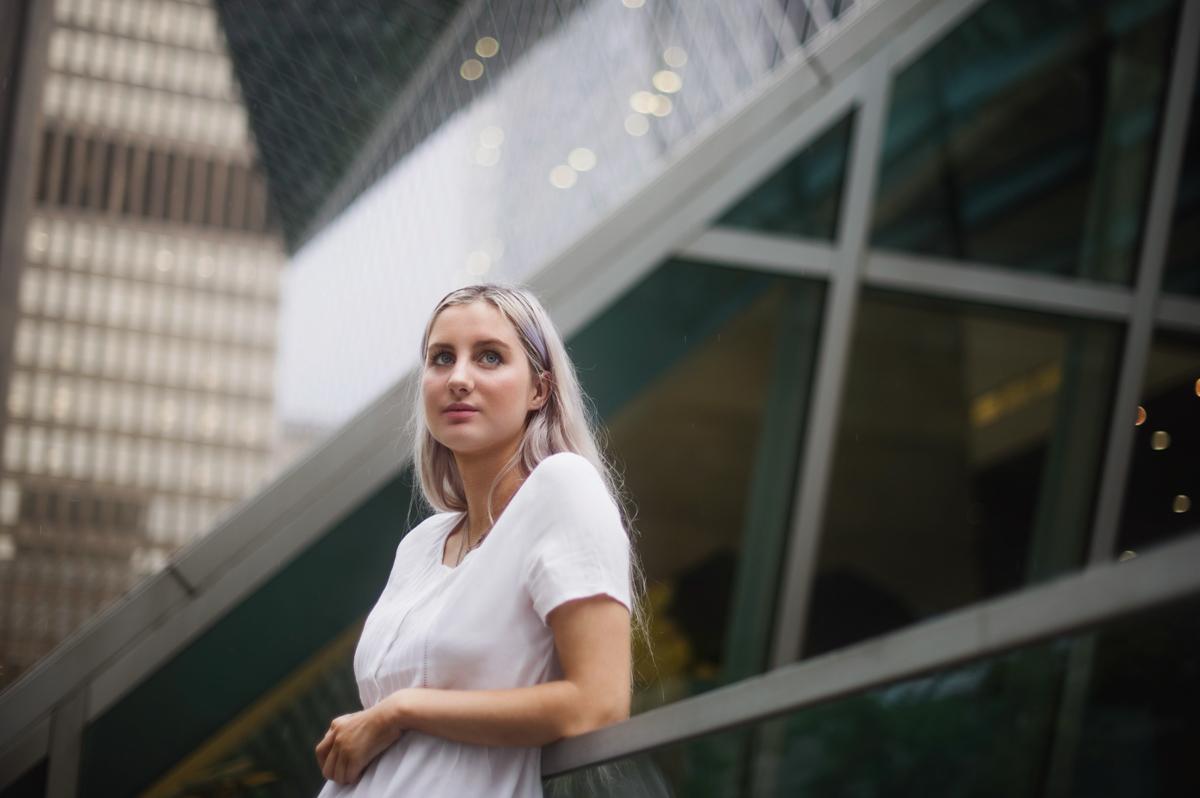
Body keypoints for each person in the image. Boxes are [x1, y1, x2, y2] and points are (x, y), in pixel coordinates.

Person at [315, 284, 635, 797]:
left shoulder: (562, 488)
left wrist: (399, 711)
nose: (459, 378)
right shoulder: (421, 544)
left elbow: (599, 702)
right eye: (442, 358)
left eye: (489, 357)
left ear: (540, 390)